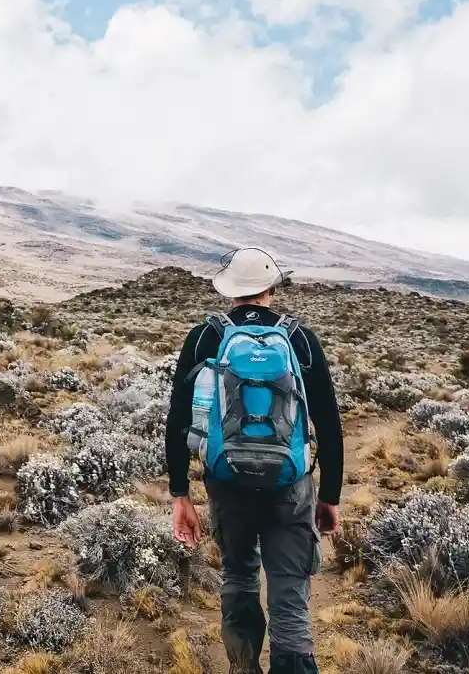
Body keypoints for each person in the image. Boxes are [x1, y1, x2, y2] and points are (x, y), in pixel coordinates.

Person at [163, 247, 343, 674]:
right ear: (270, 289)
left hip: (228, 483)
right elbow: (330, 424)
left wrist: (180, 495)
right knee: (289, 595)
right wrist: (329, 496)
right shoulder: (299, 338)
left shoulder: (205, 337)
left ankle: (243, 667)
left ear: (231, 292)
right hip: (290, 487)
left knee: (240, 575)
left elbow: (177, 420)